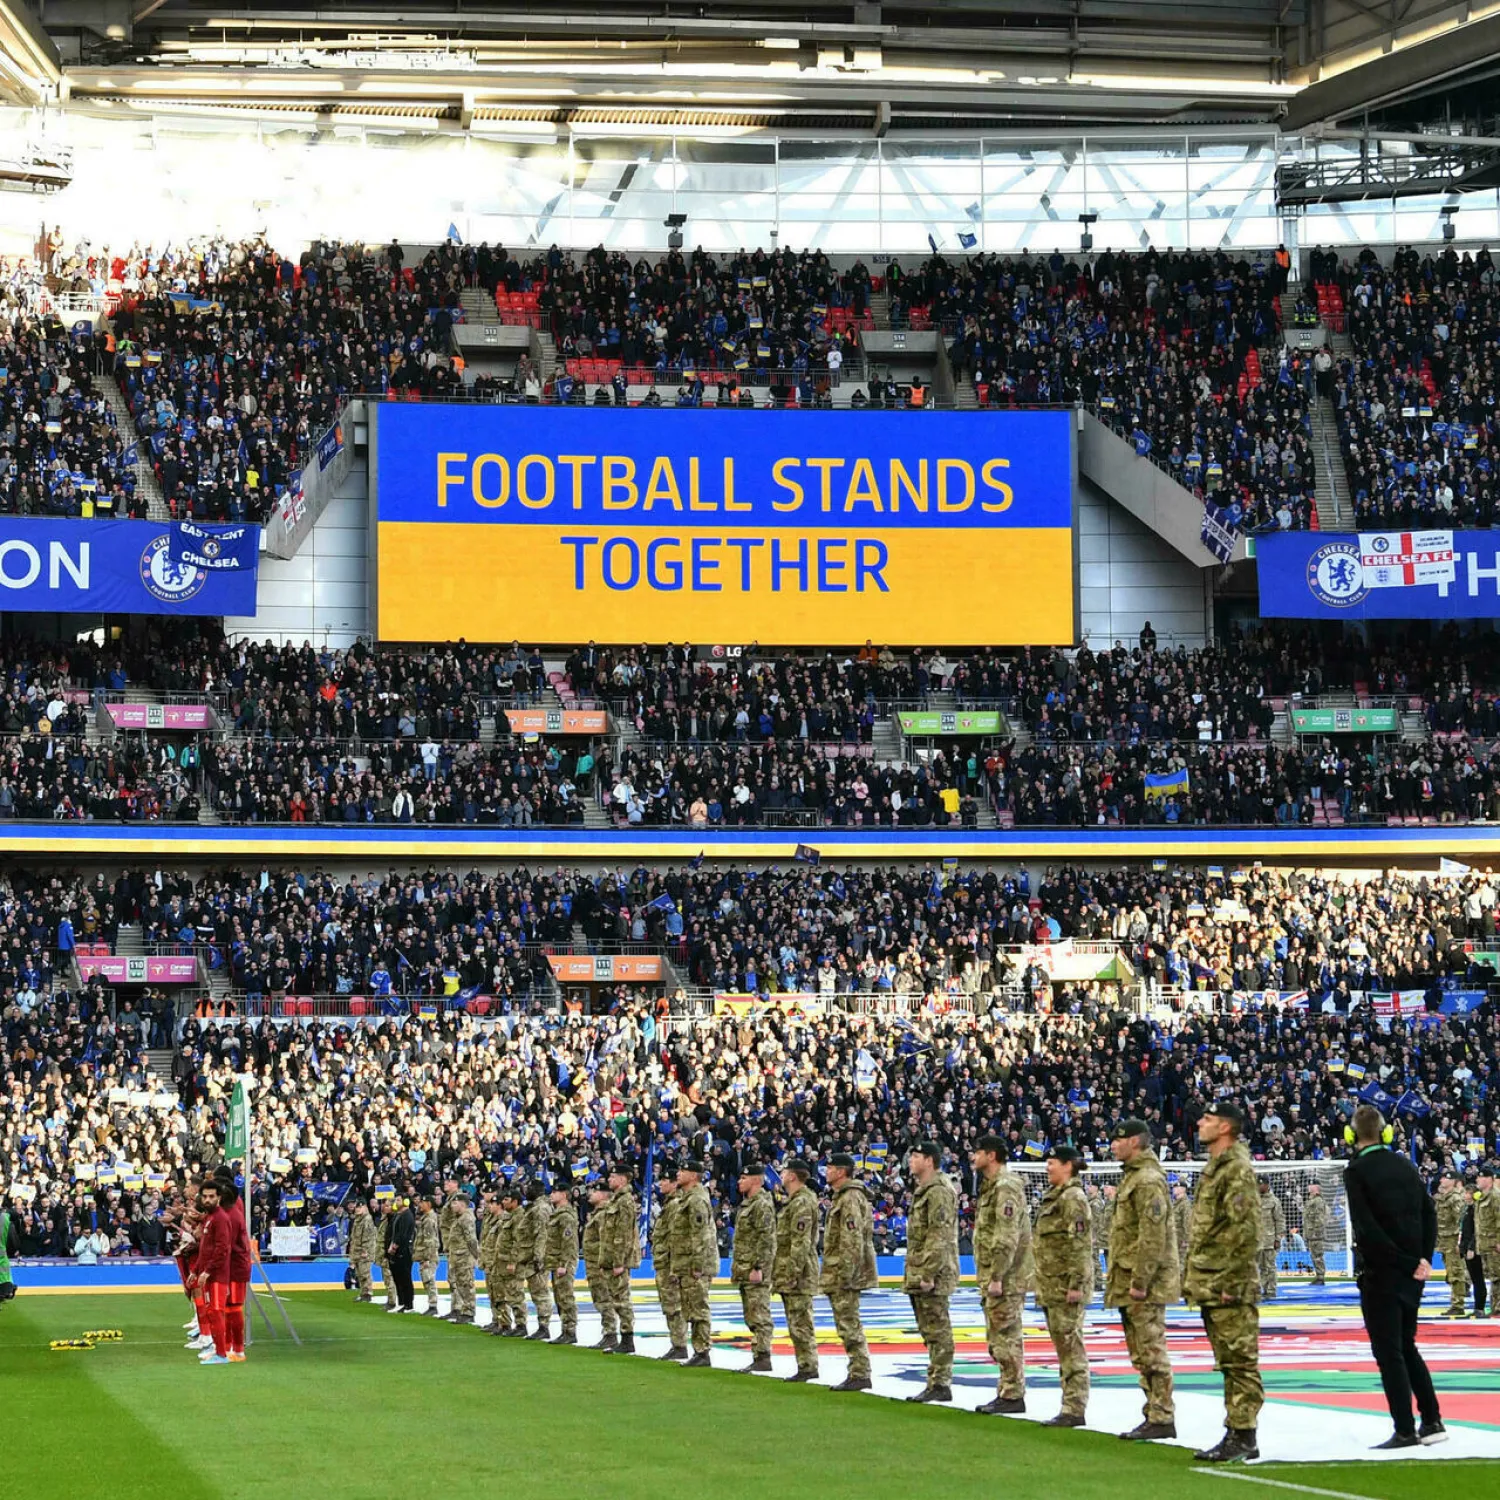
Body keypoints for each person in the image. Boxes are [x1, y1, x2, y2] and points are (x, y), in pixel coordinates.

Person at [1343, 1104, 1445, 1448]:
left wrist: (1400, 1261)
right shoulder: (1405, 1164)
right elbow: (1428, 1213)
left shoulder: (1356, 1171)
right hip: (1413, 1272)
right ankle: (1432, 1419)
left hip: (1383, 1271)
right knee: (1407, 1345)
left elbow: (1368, 1229)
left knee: (1389, 1352)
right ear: (1386, 1133)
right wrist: (1423, 1259)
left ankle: (1405, 1428)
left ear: (1352, 1135)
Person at [1184, 1101, 1263, 1463]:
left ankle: (1244, 1434)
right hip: (1212, 1279)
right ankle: (1235, 1429)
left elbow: (1245, 1229)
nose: (1200, 1123)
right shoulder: (1216, 1168)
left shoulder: (1236, 1169)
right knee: (1227, 1360)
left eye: (1208, 1119)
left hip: (1230, 1281)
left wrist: (1232, 1278)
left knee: (1240, 1359)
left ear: (1226, 1128)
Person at [1107, 1119, 1179, 1440]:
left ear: (1134, 1141)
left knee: (1151, 1348)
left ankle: (1162, 1414)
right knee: (1140, 1350)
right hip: (1130, 1278)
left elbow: (1152, 1236)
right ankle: (1154, 1410)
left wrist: (1140, 1280)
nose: (1112, 1145)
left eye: (1118, 1139)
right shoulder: (1134, 1177)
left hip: (1143, 1282)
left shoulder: (1148, 1180)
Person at [970, 1133, 1032, 1415]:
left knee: (1005, 1335)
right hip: (997, 1274)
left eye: (978, 1151)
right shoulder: (991, 1186)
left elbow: (1006, 1235)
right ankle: (1007, 1389)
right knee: (998, 1336)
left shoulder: (1005, 1186)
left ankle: (1012, 1393)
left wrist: (997, 1275)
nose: (973, 1156)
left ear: (991, 1155)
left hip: (1006, 1277)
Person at [1033, 1145, 1093, 1427]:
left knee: (1071, 1346)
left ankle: (1074, 1406)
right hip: (1051, 1284)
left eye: (1053, 1162)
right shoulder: (1054, 1197)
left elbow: (1080, 1245)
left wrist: (1077, 1283)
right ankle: (1069, 1403)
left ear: (1068, 1165)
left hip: (1065, 1286)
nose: (1048, 1167)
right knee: (1063, 1346)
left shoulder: (1073, 1198)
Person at [902, 1139, 959, 1404]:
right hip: (921, 1269)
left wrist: (928, 1273)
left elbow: (939, 1235)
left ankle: (941, 1381)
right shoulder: (925, 1189)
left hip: (933, 1272)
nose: (911, 1160)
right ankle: (935, 1380)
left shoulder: (938, 1190)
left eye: (916, 1156)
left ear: (929, 1160)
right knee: (928, 1328)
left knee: (937, 1328)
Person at [820, 1152, 877, 1392]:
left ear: (842, 1171)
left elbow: (851, 1239)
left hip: (845, 1271)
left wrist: (846, 1273)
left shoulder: (851, 1198)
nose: (827, 1171)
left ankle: (860, 1371)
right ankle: (858, 1370)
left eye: (831, 1167)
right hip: (840, 1269)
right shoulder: (843, 1197)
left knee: (849, 1322)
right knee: (846, 1322)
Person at [773, 1159, 821, 1383]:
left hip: (798, 1272)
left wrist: (792, 1273)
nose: (781, 1175)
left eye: (784, 1172)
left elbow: (800, 1242)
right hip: (790, 1268)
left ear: (792, 1176)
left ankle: (808, 1365)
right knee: (795, 1321)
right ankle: (805, 1364)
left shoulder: (801, 1202)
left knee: (800, 1321)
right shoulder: (795, 1201)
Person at [668, 1160, 718, 1367]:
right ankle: (699, 1349)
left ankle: (703, 1350)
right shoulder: (687, 1199)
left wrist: (697, 1266)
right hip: (686, 1263)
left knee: (698, 1307)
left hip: (695, 1265)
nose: (678, 1174)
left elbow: (701, 1236)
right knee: (691, 1307)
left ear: (694, 1176)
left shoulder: (696, 1200)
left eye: (683, 1170)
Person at [731, 1159, 776, 1373]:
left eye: (744, 1177)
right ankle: (759, 1355)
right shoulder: (748, 1203)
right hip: (745, 1268)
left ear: (756, 1180)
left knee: (759, 1313)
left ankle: (763, 1356)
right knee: (751, 1313)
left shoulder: (761, 1204)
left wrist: (758, 1266)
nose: (740, 1181)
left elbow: (766, 1238)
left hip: (754, 1269)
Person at [189, 1179, 232, 1365]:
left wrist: (207, 1270)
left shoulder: (221, 1218)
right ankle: (216, 1348)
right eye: (205, 1196)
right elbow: (205, 1248)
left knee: (216, 1311)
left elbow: (222, 1248)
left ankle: (222, 1354)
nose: (207, 1200)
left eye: (211, 1197)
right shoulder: (209, 1218)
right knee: (211, 1312)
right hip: (207, 1273)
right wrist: (196, 1270)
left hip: (217, 1275)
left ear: (219, 1198)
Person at [600, 1163, 641, 1355]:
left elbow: (623, 1234)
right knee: (616, 1298)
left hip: (619, 1260)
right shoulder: (616, 1200)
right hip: (611, 1258)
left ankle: (627, 1338)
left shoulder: (625, 1201)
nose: (609, 1179)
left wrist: (619, 1261)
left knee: (622, 1299)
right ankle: (623, 1338)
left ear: (623, 1179)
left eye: (613, 1176)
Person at [651, 1169, 687, 1359]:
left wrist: (675, 1266)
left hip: (669, 1262)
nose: (660, 1184)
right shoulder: (669, 1205)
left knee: (674, 1305)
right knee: (669, 1305)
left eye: (665, 1180)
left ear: (674, 1183)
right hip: (663, 1261)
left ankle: (680, 1344)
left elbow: (676, 1237)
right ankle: (677, 1343)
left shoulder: (674, 1205)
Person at [582, 1184, 616, 1350]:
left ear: (603, 1195)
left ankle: (610, 1333)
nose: (591, 1194)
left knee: (604, 1299)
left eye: (595, 1191)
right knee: (599, 1299)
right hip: (594, 1264)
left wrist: (604, 1263)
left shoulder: (603, 1215)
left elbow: (605, 1241)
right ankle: (608, 1332)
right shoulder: (597, 1214)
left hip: (599, 1264)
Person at [519, 1180, 554, 1340]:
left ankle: (544, 1325)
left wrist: (538, 1257)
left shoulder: (540, 1209)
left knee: (540, 1292)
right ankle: (542, 1324)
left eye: (529, 1187)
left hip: (537, 1257)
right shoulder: (535, 1207)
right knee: (536, 1292)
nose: (526, 1190)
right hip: (530, 1255)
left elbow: (542, 1234)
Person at [441, 1181, 479, 1325]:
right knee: (460, 1284)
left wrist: (476, 1256)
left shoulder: (466, 1218)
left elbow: (472, 1240)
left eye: (455, 1204)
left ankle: (469, 1312)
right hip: (457, 1255)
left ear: (463, 1204)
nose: (452, 1206)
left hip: (464, 1256)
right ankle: (464, 1310)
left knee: (466, 1284)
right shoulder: (458, 1219)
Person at [546, 1184, 580, 1345]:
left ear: (564, 1195)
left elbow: (569, 1242)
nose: (551, 1195)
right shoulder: (557, 1214)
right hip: (556, 1260)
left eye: (555, 1192)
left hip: (563, 1261)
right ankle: (565, 1329)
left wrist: (564, 1264)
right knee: (560, 1296)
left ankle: (570, 1330)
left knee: (566, 1296)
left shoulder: (566, 1216)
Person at [1434, 1171, 1468, 1318]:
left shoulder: (1454, 1198)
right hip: (1443, 1239)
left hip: (1453, 1239)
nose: (1442, 1180)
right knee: (1451, 1273)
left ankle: (1458, 1304)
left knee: (1456, 1272)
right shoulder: (1441, 1197)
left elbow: (1460, 1220)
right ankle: (1456, 1302)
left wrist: (1460, 1242)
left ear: (1453, 1181)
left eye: (1446, 1178)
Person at [494, 1184, 526, 1335]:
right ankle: (506, 1323)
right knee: (506, 1293)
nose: (503, 1202)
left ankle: (521, 1325)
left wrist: (513, 1261)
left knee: (515, 1293)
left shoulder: (519, 1216)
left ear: (515, 1201)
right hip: (502, 1260)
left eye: (506, 1199)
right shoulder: (509, 1216)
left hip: (511, 1262)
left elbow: (518, 1241)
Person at [385, 1194, 416, 1313]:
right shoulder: (398, 1215)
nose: (396, 1202)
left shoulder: (407, 1216)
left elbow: (402, 1235)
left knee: (405, 1278)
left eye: (398, 1200)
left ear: (406, 1201)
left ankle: (409, 1305)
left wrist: (394, 1246)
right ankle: (402, 1302)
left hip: (404, 1251)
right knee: (398, 1278)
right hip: (397, 1252)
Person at [1477, 1164, 1500, 1317]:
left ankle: (1498, 1308)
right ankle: (1495, 1307)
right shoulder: (1482, 1197)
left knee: (1498, 1277)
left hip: (1494, 1244)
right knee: (1493, 1277)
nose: (1477, 1179)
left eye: (1481, 1177)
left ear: (1489, 1179)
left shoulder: (1495, 1196)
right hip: (1485, 1244)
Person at [1256, 1180, 1285, 1300]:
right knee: (1260, 1267)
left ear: (1267, 1185)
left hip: (1269, 1239)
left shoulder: (1274, 1201)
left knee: (1270, 1267)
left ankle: (1271, 1290)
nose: (1259, 1186)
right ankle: (1263, 1289)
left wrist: (1278, 1238)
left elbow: (1280, 1220)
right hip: (1257, 1240)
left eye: (1261, 1184)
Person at [413, 1193, 441, 1315]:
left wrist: (427, 1259)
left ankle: (433, 1305)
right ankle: (431, 1304)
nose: (420, 1205)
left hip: (428, 1255)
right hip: (425, 1254)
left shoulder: (429, 1219)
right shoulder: (426, 1217)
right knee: (426, 1279)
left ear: (428, 1204)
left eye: (422, 1202)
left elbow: (430, 1240)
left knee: (429, 1280)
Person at [347, 1197, 378, 1303]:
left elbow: (367, 1237)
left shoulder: (367, 1219)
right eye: (357, 1207)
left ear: (364, 1207)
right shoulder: (357, 1219)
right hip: (357, 1251)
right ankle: (363, 1292)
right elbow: (354, 1237)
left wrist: (365, 1251)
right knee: (359, 1274)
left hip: (365, 1251)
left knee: (365, 1273)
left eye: (360, 1207)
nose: (357, 1209)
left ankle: (368, 1293)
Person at [1302, 1182, 1330, 1286]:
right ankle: (1318, 1276)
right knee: (1314, 1256)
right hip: (1311, 1234)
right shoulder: (1311, 1200)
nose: (1308, 1186)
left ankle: (1320, 1277)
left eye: (1311, 1185)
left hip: (1316, 1235)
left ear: (1316, 1187)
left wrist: (1317, 1232)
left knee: (1318, 1256)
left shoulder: (1318, 1201)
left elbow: (1320, 1219)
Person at [0, 1198, 18, 1304]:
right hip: (2, 1252)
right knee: (5, 1275)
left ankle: (6, 1291)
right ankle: (7, 1290)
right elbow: (15, 1215)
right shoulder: (5, 1218)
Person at [1172, 1183, 1192, 1274]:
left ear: (1183, 1189)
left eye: (1176, 1187)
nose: (1174, 1189)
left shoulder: (1185, 1204)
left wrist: (1186, 1240)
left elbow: (1187, 1223)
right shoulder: (1176, 1203)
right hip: (1175, 1238)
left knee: (1181, 1263)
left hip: (1181, 1239)